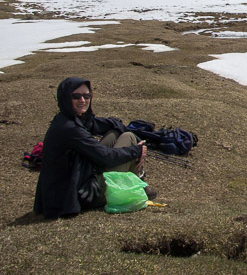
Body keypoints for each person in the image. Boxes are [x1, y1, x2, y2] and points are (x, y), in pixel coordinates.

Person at [33, 77, 156, 219]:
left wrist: (119, 126)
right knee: (129, 138)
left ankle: (137, 183)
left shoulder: (67, 118)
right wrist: (137, 151)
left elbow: (97, 124)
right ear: (66, 98)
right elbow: (106, 157)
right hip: (77, 194)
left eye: (87, 96)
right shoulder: (69, 128)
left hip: (78, 177)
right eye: (76, 96)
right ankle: (137, 185)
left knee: (116, 133)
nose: (83, 100)